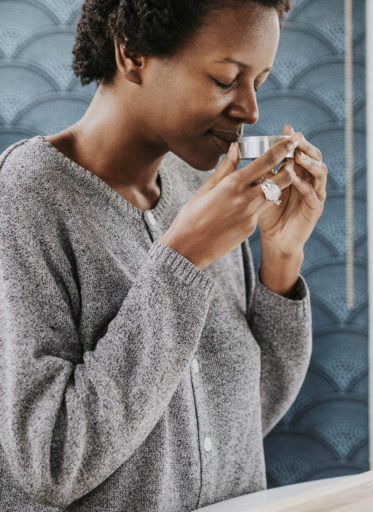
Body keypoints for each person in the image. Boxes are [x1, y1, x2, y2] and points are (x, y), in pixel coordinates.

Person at [0, 0, 327, 509]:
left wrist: (280, 259)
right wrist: (183, 258)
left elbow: (243, 415)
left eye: (257, 82)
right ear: (132, 55)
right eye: (225, 78)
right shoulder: (26, 197)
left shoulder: (204, 189)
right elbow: (51, 464)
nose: (250, 109)